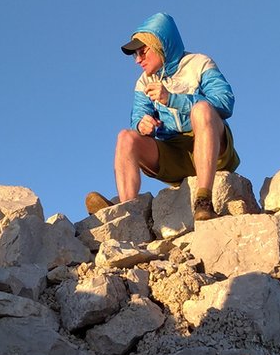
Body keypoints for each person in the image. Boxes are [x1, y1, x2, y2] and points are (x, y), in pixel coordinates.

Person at [85, 12, 240, 221]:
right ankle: (126, 213)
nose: (138, 60)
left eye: (142, 52)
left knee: (202, 110)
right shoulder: (143, 81)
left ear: (161, 45)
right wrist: (142, 125)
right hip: (175, 155)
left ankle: (204, 201)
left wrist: (173, 99)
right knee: (126, 137)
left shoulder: (199, 63)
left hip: (214, 149)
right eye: (135, 54)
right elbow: (138, 116)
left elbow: (224, 102)